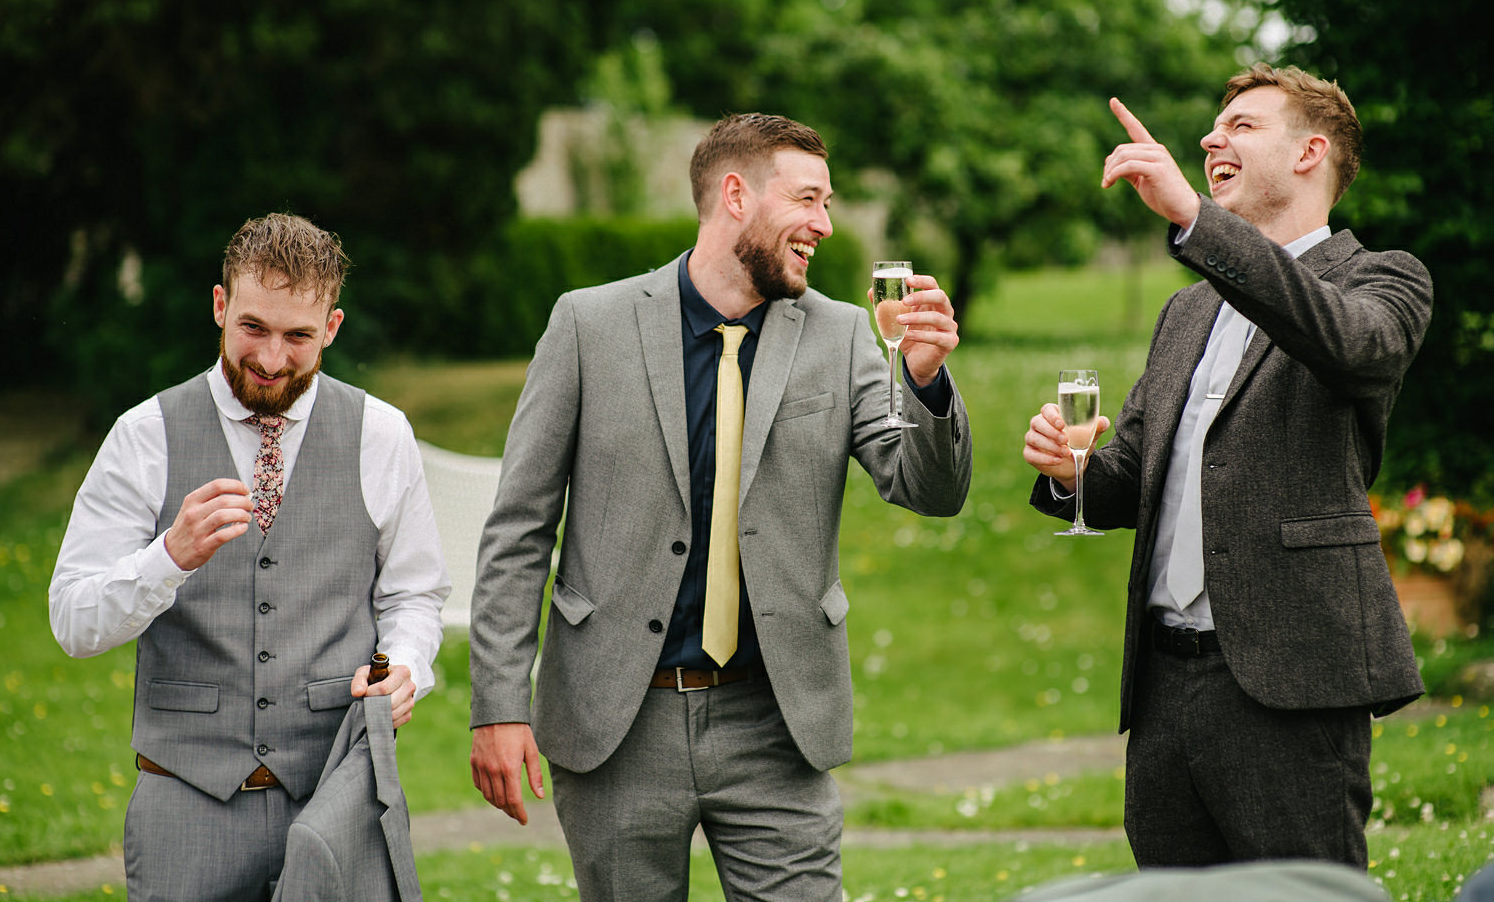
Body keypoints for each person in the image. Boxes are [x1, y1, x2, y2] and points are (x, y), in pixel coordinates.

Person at [469, 112, 972, 899]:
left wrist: (925, 380)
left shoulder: (843, 337)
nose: (825, 224)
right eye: (807, 199)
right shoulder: (588, 325)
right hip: (616, 723)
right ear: (736, 195)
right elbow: (519, 529)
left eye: (828, 203)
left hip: (776, 723)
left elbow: (929, 490)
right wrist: (497, 704)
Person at [1022, 65, 1432, 867]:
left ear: (1311, 152)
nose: (1212, 139)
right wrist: (1075, 472)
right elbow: (1132, 477)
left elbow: (1348, 342)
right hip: (1164, 689)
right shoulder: (1186, 310)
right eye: (1215, 127)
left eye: (1242, 125)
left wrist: (1194, 219)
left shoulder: (1383, 280)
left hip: (1292, 683)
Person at [50, 213, 450, 902]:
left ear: (332, 326)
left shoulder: (382, 435)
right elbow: (72, 621)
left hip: (335, 793)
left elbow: (413, 593)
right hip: (184, 806)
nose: (269, 358)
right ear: (219, 305)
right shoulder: (144, 435)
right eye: (253, 327)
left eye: (297, 336)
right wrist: (168, 557)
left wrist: (405, 664)